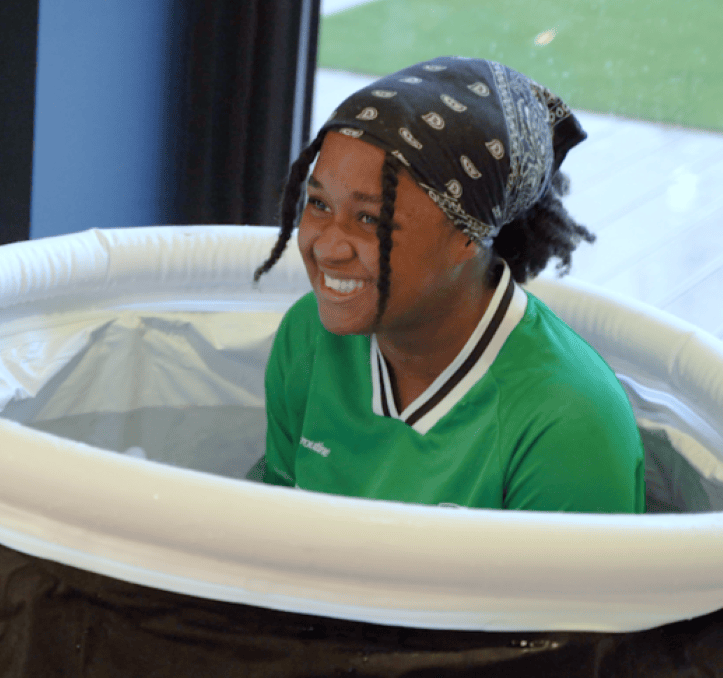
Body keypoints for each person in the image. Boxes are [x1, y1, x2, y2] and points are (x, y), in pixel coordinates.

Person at [251, 56, 644, 513]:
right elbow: (272, 533)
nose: (328, 248)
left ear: (468, 235)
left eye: (368, 218)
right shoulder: (309, 336)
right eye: (318, 203)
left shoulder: (569, 425)